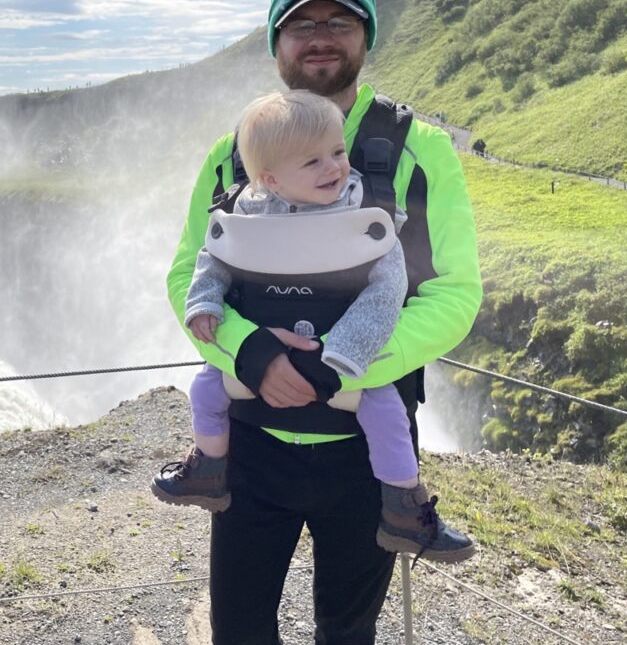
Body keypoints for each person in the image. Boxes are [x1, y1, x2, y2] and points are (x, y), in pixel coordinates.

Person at [165, 0, 482, 644]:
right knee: (240, 630)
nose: (320, 35)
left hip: (365, 449)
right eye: (300, 22)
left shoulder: (419, 148)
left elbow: (455, 293)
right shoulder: (233, 153)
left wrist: (344, 366)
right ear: (275, 42)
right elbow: (189, 274)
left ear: (367, 36)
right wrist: (247, 353)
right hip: (251, 448)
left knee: (348, 632)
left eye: (340, 19)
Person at [152, 89, 475, 565]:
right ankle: (208, 469)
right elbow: (210, 258)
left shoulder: (365, 202)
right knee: (203, 391)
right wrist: (214, 316)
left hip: (349, 369)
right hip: (256, 434)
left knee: (386, 412)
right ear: (269, 178)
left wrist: (343, 358)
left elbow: (397, 284)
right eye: (314, 162)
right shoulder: (246, 202)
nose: (334, 168)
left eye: (339, 153)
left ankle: (404, 503)